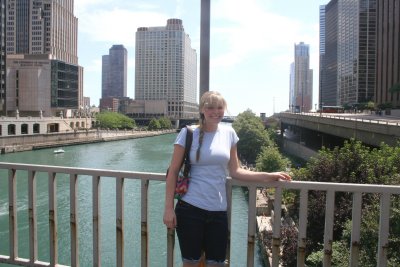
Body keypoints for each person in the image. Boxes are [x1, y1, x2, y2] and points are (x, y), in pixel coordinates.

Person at [163, 91, 291, 266]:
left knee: (217, 263)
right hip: (189, 209)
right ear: (202, 110)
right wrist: (168, 208)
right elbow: (173, 171)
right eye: (210, 107)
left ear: (224, 109)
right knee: (191, 263)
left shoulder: (229, 133)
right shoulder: (188, 133)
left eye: (219, 107)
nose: (215, 111)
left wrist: (269, 176)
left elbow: (236, 171)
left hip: (218, 211)